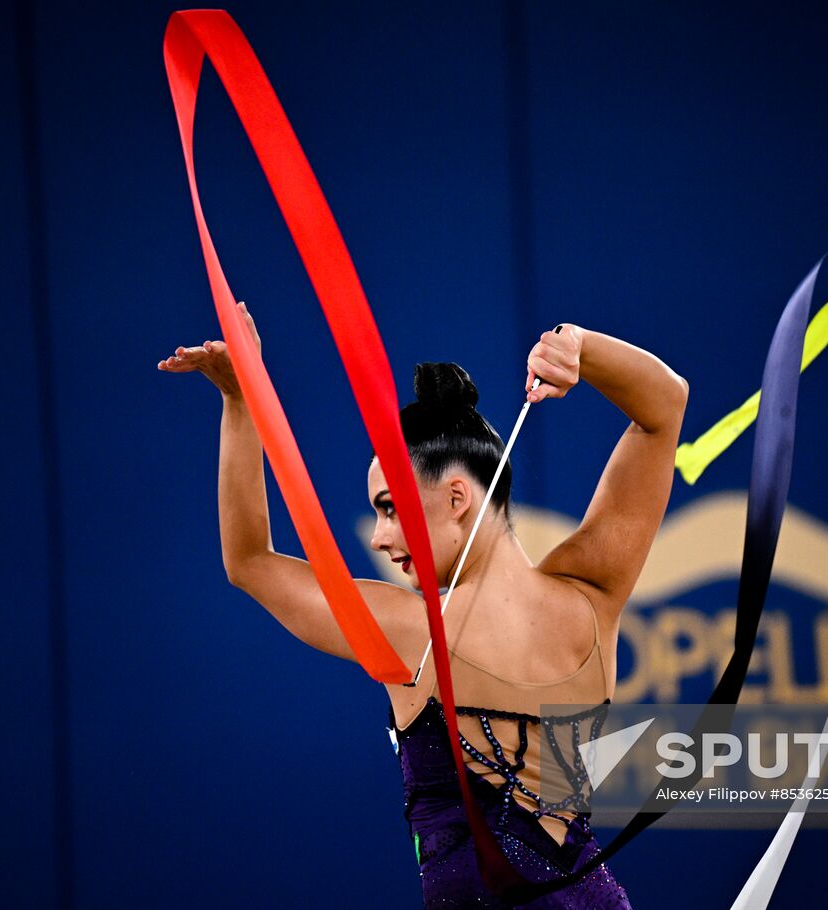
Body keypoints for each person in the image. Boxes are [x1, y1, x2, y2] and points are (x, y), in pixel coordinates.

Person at [158, 302, 687, 907]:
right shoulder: (593, 600)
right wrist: (583, 349)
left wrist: (240, 398)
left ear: (458, 495)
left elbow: (249, 561)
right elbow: (664, 409)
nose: (380, 537)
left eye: (389, 508)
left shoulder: (410, 636)